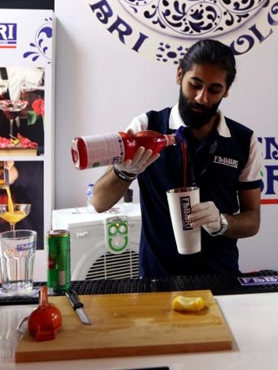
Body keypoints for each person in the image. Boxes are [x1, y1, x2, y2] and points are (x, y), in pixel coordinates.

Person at [91, 39, 263, 277]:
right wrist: (124, 172)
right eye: (195, 84)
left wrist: (221, 222)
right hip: (156, 280)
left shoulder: (243, 140)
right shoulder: (147, 126)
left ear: (227, 90)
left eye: (214, 90)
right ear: (179, 74)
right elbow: (99, 203)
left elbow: (252, 220)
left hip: (221, 280)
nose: (202, 97)